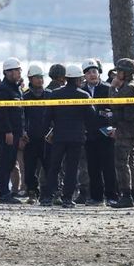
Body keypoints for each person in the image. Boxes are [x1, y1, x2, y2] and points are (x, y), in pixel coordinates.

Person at [40, 65, 95, 208]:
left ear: (66, 78)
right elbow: (92, 117)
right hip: (76, 138)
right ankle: (67, 198)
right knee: (72, 168)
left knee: (54, 167)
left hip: (59, 136)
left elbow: (47, 116)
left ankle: (48, 197)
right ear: (78, 79)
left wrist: (45, 133)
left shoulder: (55, 94)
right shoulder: (84, 96)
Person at [109, 58, 134, 208]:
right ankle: (133, 196)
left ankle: (127, 196)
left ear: (127, 73)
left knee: (122, 164)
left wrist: (112, 88)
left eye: (119, 72)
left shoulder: (129, 87)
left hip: (126, 131)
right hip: (132, 131)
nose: (117, 75)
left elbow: (114, 102)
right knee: (130, 163)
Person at [82, 58, 116, 206]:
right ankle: (96, 197)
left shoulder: (108, 89)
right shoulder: (81, 91)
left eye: (94, 71)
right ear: (84, 75)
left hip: (106, 133)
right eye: (89, 72)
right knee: (92, 167)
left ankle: (112, 196)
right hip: (89, 134)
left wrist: (114, 127)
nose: (92, 75)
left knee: (109, 167)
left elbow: (115, 110)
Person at [0, 57, 24, 204]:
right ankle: (4, 193)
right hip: (7, 133)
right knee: (5, 162)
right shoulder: (2, 89)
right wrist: (8, 131)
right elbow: (1, 113)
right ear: (7, 72)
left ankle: (7, 192)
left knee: (11, 162)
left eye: (19, 70)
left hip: (16, 131)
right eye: (16, 70)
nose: (18, 73)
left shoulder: (16, 88)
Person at [22, 64, 51, 204]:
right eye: (36, 78)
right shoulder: (25, 97)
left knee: (50, 167)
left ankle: (50, 193)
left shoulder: (51, 95)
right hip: (31, 138)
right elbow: (21, 117)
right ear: (30, 79)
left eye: (41, 77)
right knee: (29, 168)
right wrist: (23, 132)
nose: (40, 80)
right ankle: (32, 192)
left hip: (48, 138)